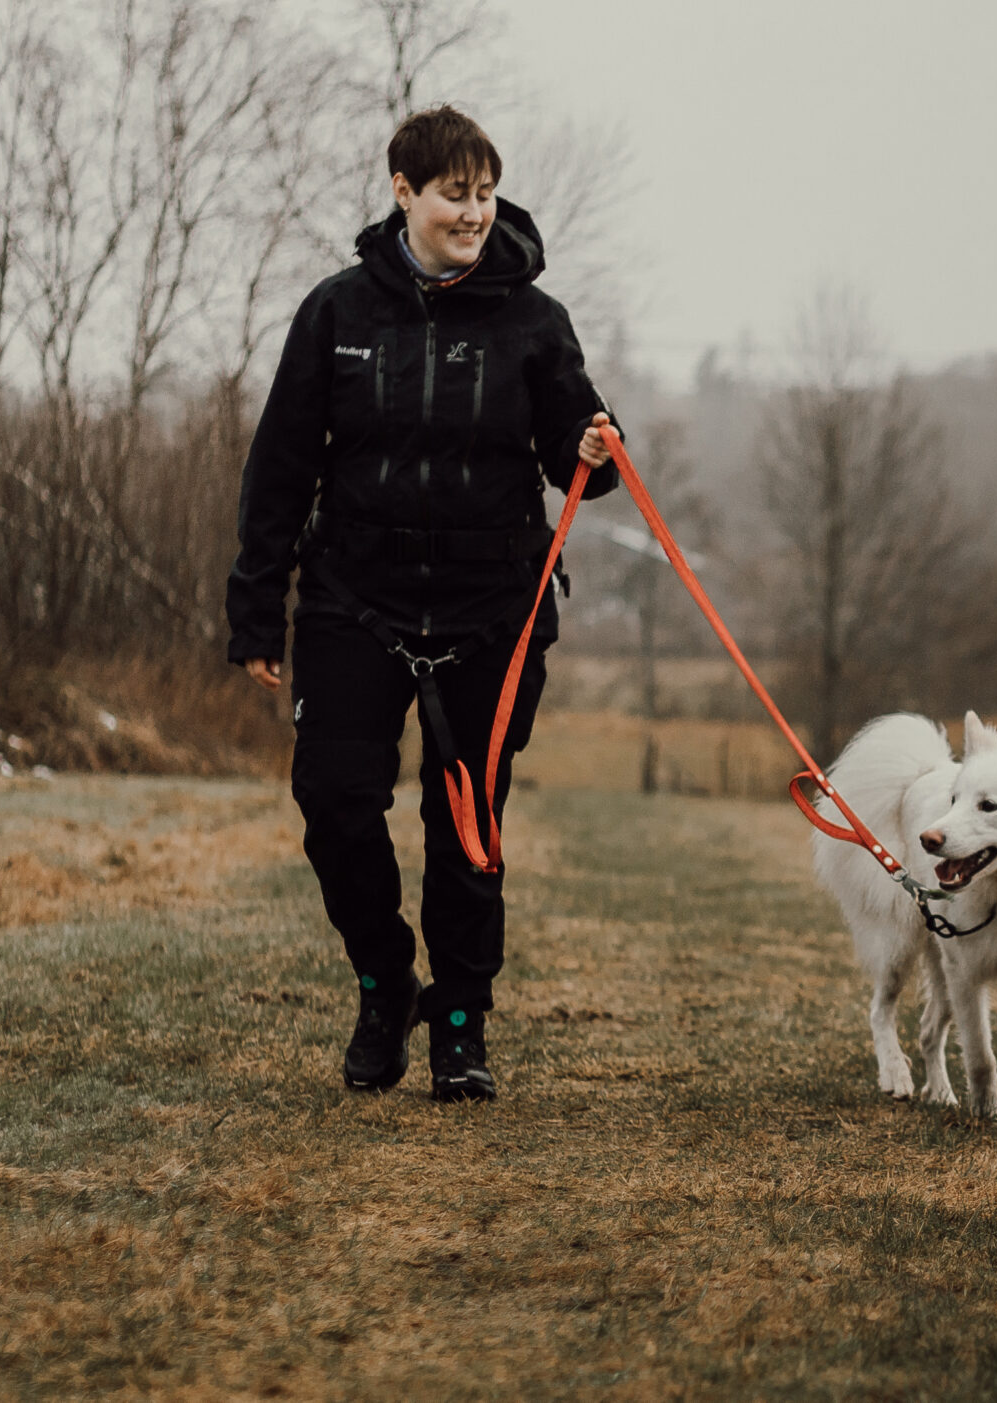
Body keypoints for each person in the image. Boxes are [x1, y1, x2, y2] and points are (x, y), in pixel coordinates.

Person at [225, 105, 620, 1103]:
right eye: (455, 194)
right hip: (355, 601)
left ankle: (458, 1019)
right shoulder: (336, 313)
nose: (474, 213)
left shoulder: (536, 321)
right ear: (404, 193)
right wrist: (255, 605)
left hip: (492, 610)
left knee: (467, 824)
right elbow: (280, 467)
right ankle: (381, 975)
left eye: (486, 194)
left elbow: (576, 450)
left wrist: (593, 446)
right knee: (334, 799)